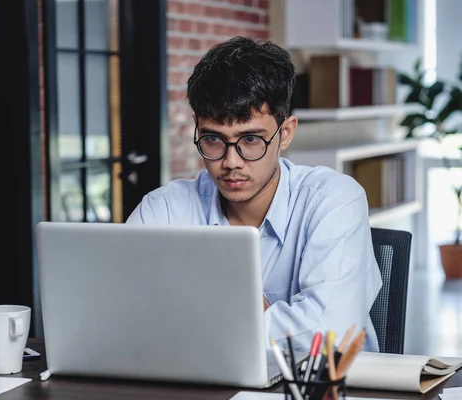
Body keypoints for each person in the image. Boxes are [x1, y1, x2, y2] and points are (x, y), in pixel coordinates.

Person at [126, 36, 383, 352]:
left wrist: (195, 320)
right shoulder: (162, 210)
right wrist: (265, 321)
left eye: (250, 140)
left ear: (284, 133)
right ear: (196, 127)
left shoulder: (334, 201)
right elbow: (123, 318)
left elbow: (328, 333)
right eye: (213, 140)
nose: (230, 162)